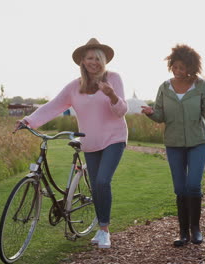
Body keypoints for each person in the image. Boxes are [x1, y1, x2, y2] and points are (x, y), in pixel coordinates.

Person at [16, 38, 128, 249]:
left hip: (114, 138)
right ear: (83, 62)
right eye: (89, 58)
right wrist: (28, 121)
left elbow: (121, 112)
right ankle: (100, 227)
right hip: (90, 141)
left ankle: (104, 230)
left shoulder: (113, 78)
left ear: (103, 60)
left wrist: (111, 95)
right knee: (95, 187)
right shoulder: (75, 86)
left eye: (97, 58)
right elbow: (53, 106)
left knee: (103, 181)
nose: (93, 62)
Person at [141, 44, 205, 247]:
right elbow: (160, 115)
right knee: (180, 188)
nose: (179, 71)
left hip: (198, 141)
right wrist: (151, 113)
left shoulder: (202, 86)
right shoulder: (165, 87)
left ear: (192, 67)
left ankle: (195, 229)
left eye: (183, 68)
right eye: (176, 66)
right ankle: (182, 233)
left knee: (193, 185)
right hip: (173, 143)